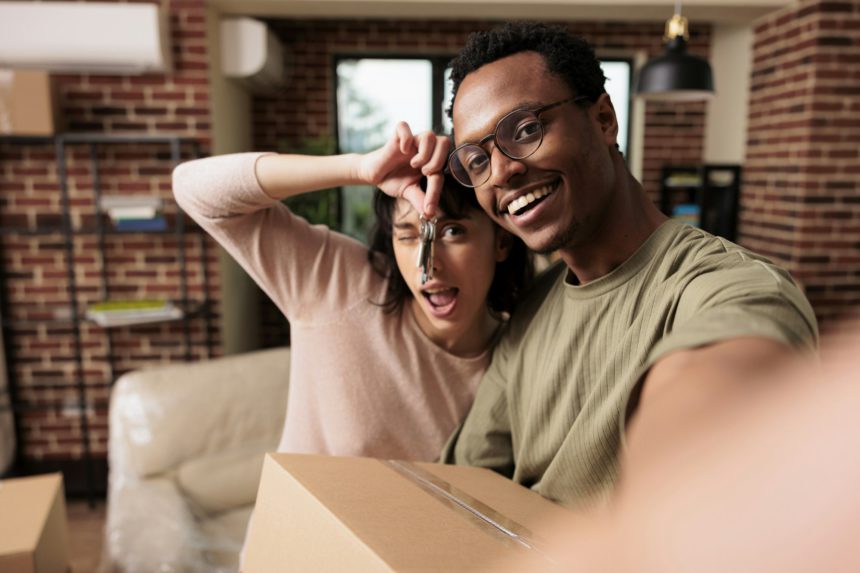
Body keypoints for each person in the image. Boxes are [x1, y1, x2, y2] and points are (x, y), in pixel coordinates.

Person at [398, 21, 818, 507]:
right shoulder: (533, 309)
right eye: (477, 160)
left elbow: (727, 369)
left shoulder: (730, 284)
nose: (504, 171)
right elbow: (467, 485)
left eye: (527, 129)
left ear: (603, 120)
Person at [172, 124, 531, 463]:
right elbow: (193, 188)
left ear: (501, 241)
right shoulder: (339, 281)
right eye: (407, 234)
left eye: (453, 232)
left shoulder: (521, 357)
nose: (429, 265)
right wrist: (359, 168)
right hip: (291, 528)